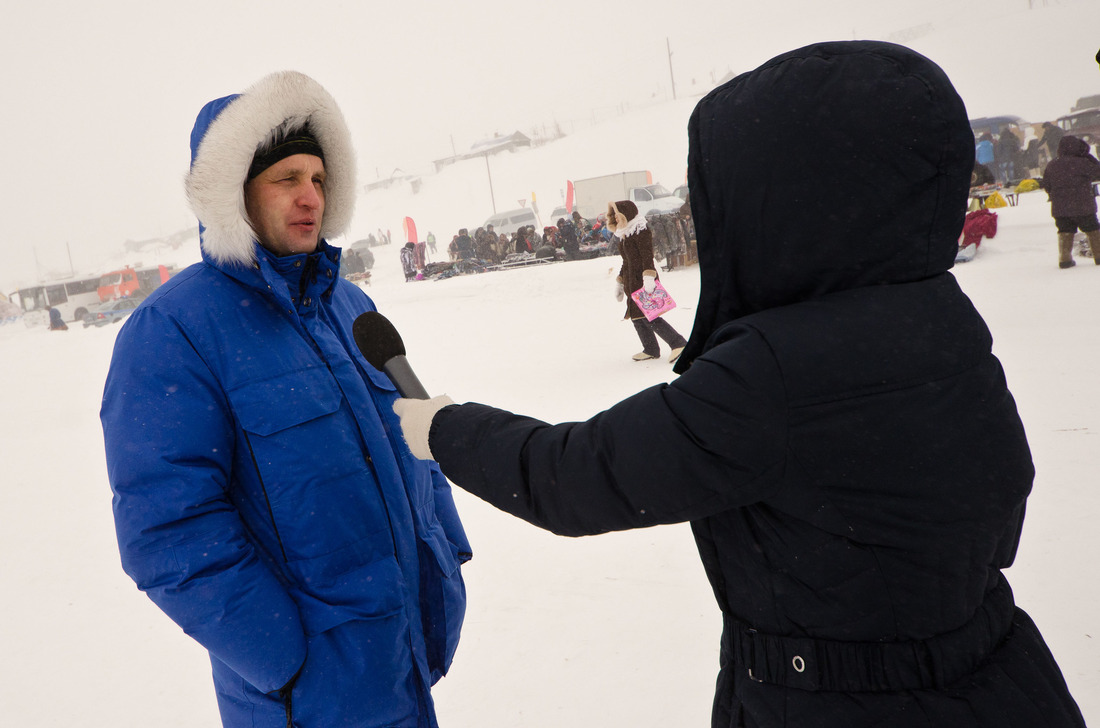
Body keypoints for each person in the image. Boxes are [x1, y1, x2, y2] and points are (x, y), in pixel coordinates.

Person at [389, 42, 1085, 727]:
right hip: (1002, 676)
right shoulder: (940, 315)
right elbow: (999, 495)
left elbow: (578, 477)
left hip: (839, 702)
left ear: (777, 201)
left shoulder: (774, 370)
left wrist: (444, 428)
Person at [100, 71, 471, 728]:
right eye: (286, 179)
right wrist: (288, 661)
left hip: (403, 659)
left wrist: (444, 559)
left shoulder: (353, 306)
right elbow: (167, 530)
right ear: (233, 194)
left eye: (320, 179)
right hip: (307, 700)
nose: (310, 197)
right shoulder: (174, 331)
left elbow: (419, 431)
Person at [609, 199, 687, 363]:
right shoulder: (625, 235)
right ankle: (650, 348)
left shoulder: (641, 231)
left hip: (643, 279)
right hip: (632, 281)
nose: (615, 219)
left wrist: (649, 277)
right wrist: (620, 282)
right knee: (637, 317)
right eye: (614, 216)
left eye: (617, 215)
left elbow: (647, 257)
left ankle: (678, 343)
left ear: (626, 214)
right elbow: (626, 262)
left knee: (649, 316)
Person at [1038, 134, 1100, 269]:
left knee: (1065, 230)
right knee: (1093, 228)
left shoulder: (1052, 164)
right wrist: (1090, 158)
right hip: (1084, 206)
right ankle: (1098, 256)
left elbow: (1046, 184)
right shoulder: (1083, 163)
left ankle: (1064, 259)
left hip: (1061, 208)